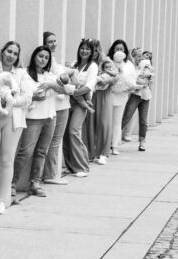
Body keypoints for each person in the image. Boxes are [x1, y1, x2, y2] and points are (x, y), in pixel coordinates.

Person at [0, 40, 30, 215]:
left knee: (7, 160)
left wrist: (10, 101)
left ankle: (3, 200)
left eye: (15, 53)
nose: (11, 56)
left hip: (13, 118)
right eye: (9, 51)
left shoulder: (21, 74)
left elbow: (27, 98)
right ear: (2, 52)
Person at [12, 45, 69, 197]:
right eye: (40, 56)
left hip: (49, 118)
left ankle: (34, 184)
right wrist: (33, 97)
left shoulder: (49, 76)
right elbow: (17, 94)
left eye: (46, 58)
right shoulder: (23, 73)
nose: (43, 60)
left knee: (41, 152)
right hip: (32, 119)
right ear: (34, 56)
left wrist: (51, 84)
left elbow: (65, 90)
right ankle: (11, 184)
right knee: (25, 152)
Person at [63, 38, 99, 177]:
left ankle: (82, 167)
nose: (84, 51)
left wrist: (74, 91)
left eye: (87, 49)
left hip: (81, 103)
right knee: (65, 134)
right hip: (68, 101)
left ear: (92, 52)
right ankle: (71, 166)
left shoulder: (93, 66)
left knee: (74, 131)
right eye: (82, 48)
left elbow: (89, 86)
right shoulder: (74, 64)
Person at [41, 32, 73, 186]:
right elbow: (62, 81)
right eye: (50, 41)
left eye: (55, 41)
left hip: (61, 103)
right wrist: (69, 74)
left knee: (54, 140)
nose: (54, 44)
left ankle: (51, 173)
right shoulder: (50, 61)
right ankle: (51, 174)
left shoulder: (53, 60)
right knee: (55, 140)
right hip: (58, 104)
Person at [106, 39, 137, 156]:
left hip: (122, 95)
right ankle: (105, 145)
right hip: (108, 94)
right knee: (106, 121)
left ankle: (114, 145)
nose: (119, 51)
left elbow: (133, 80)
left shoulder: (129, 64)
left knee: (117, 121)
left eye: (121, 49)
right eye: (117, 49)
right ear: (113, 50)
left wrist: (129, 87)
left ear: (125, 51)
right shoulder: (108, 61)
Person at [121, 49, 153, 151]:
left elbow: (150, 77)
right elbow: (136, 80)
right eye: (139, 56)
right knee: (126, 117)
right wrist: (144, 78)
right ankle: (114, 138)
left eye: (142, 56)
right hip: (135, 95)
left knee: (143, 121)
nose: (141, 58)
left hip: (146, 95)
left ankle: (142, 142)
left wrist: (148, 76)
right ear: (133, 57)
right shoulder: (132, 67)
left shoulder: (146, 66)